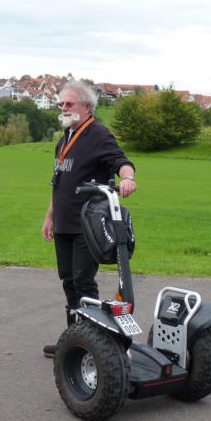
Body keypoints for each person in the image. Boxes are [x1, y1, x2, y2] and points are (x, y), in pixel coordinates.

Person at [41, 80, 136, 358]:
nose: (63, 108)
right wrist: (50, 216)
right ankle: (73, 340)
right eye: (61, 104)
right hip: (64, 223)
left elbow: (121, 161)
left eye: (69, 103)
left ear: (86, 106)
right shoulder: (64, 139)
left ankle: (91, 344)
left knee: (83, 281)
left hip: (88, 223)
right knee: (68, 280)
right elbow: (59, 183)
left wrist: (128, 178)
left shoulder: (98, 135)